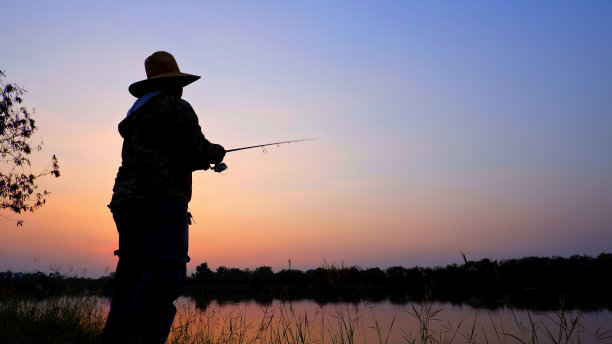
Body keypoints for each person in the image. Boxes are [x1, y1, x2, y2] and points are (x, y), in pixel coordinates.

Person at [102, 51, 225, 344]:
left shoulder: (136, 115)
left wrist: (198, 159)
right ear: (173, 83)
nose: (182, 88)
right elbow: (196, 149)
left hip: (125, 203)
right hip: (161, 202)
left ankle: (116, 339)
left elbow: (167, 153)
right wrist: (215, 153)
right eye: (178, 82)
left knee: (131, 275)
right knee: (163, 277)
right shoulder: (176, 107)